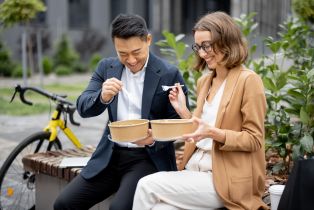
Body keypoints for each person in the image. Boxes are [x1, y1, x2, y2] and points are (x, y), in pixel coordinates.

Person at [133, 11, 269, 210]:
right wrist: (175, 120)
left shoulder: (249, 81)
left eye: (207, 45)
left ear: (226, 41)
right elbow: (199, 131)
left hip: (225, 179)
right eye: (198, 47)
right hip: (194, 170)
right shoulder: (205, 81)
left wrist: (213, 133)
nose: (202, 53)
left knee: (146, 185)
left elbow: (254, 139)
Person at [54, 14, 189, 210]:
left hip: (148, 158)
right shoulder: (106, 67)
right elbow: (83, 107)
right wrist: (102, 96)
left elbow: (180, 122)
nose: (131, 59)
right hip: (109, 156)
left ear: (148, 40)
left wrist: (154, 138)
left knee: (118, 208)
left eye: (136, 51)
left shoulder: (169, 73)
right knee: (64, 204)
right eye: (122, 53)